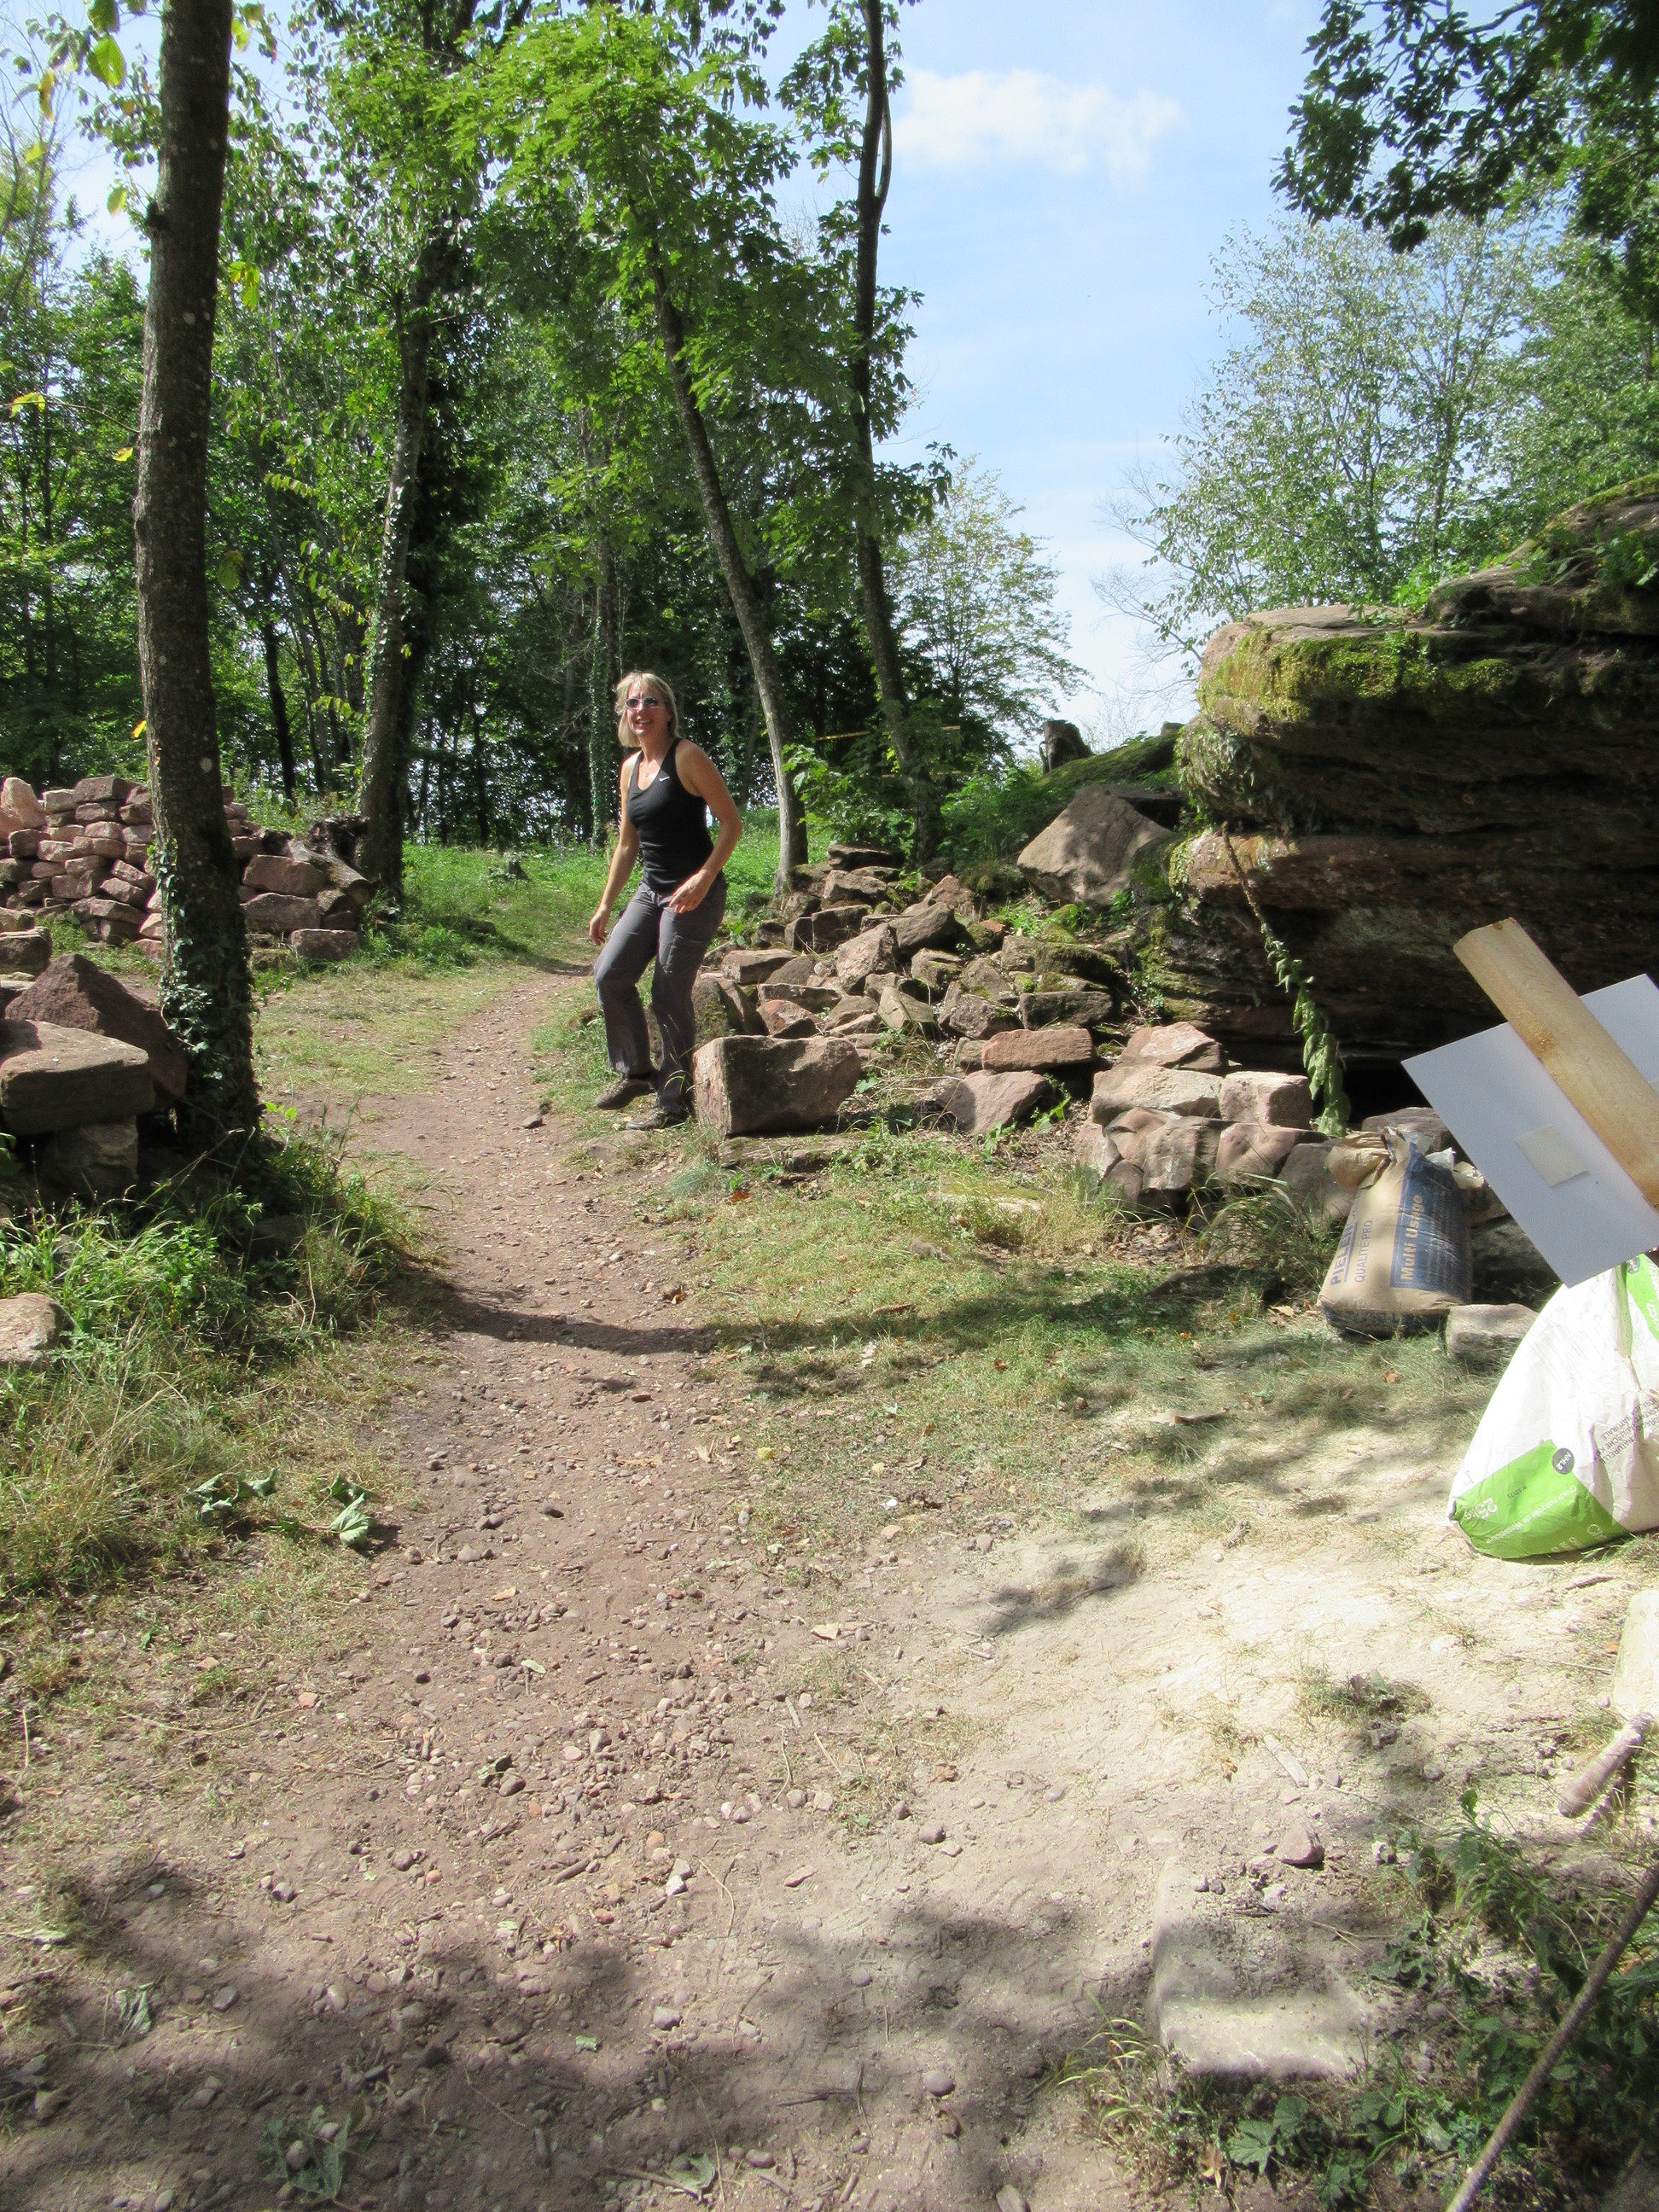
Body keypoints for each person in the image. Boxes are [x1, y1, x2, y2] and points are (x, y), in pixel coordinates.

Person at [588, 671, 742, 1130]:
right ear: (625, 715)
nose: (642, 710)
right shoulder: (629, 769)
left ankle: (673, 1102)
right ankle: (636, 1072)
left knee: (668, 990)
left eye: (651, 701)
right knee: (610, 973)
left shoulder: (688, 757)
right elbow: (626, 844)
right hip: (650, 890)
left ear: (669, 711)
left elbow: (731, 824)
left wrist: (704, 878)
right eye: (633, 703)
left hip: (694, 893)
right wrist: (605, 905)